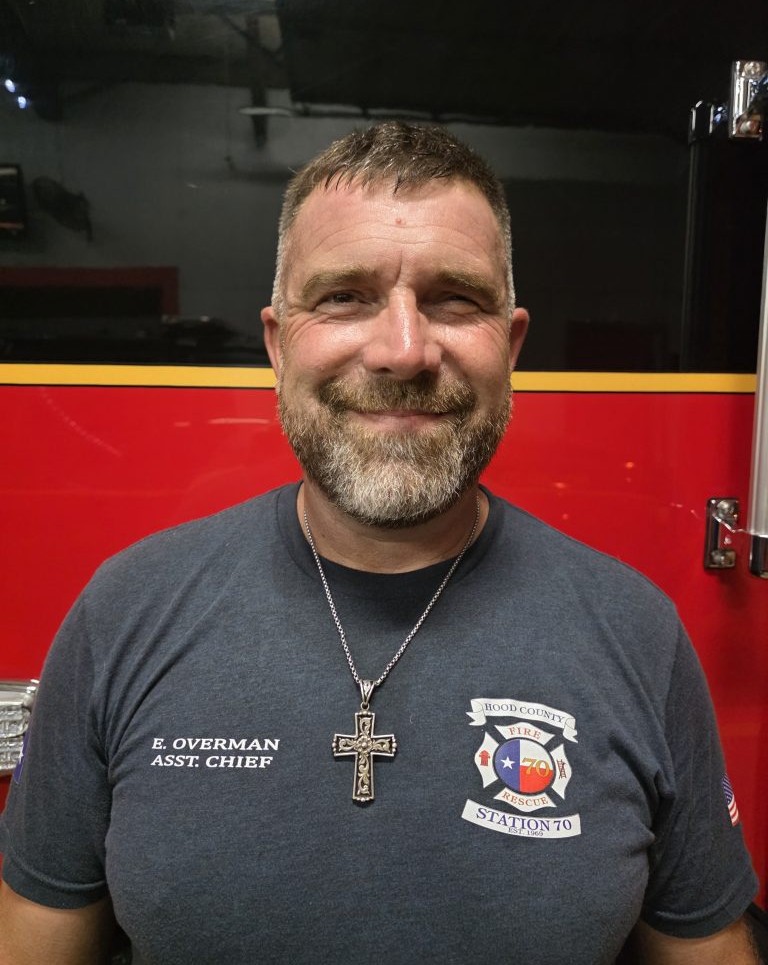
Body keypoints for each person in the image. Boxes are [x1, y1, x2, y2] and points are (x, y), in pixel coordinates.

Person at [0, 122, 759, 965]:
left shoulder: (636, 634)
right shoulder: (126, 612)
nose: (403, 351)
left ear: (509, 348)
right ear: (278, 343)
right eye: (345, 297)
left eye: (454, 299)